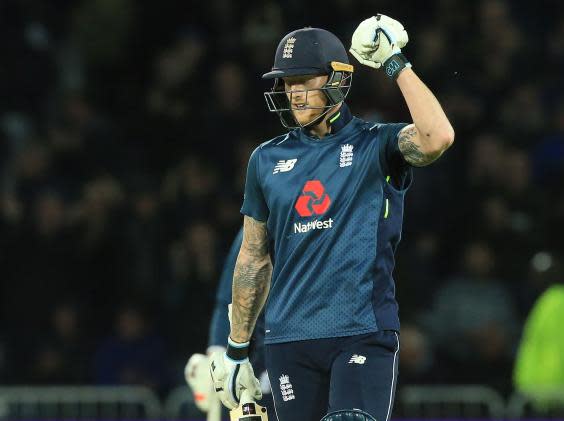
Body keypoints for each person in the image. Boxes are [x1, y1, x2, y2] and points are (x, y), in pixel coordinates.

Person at [210, 14, 454, 421]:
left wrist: (395, 62)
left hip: (362, 330)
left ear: (337, 80)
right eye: (288, 84)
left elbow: (437, 137)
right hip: (288, 339)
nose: (295, 94)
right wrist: (237, 350)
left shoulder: (377, 145)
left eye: (305, 81)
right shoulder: (265, 160)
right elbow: (253, 258)